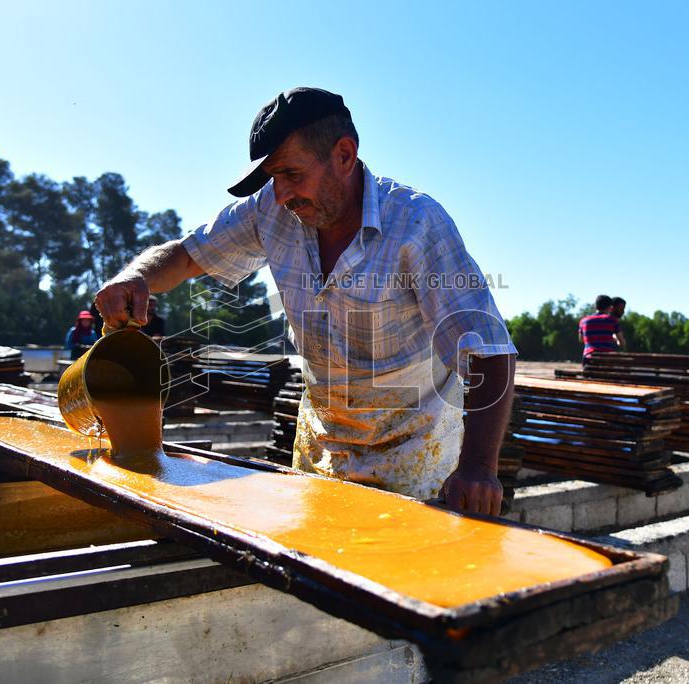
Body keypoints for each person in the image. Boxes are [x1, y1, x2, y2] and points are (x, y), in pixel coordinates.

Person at [95, 86, 518, 515]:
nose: (280, 194)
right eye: (273, 178)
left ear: (345, 155)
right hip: (322, 451)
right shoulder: (271, 211)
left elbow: (489, 349)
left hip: (414, 454)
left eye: (292, 174)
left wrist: (480, 467)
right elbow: (187, 256)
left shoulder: (416, 224)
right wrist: (135, 277)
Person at [578, 295, 625, 360]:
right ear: (610, 307)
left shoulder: (583, 321)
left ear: (596, 306)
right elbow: (622, 342)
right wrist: (615, 339)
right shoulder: (612, 320)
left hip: (588, 359)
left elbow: (581, 339)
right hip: (606, 360)